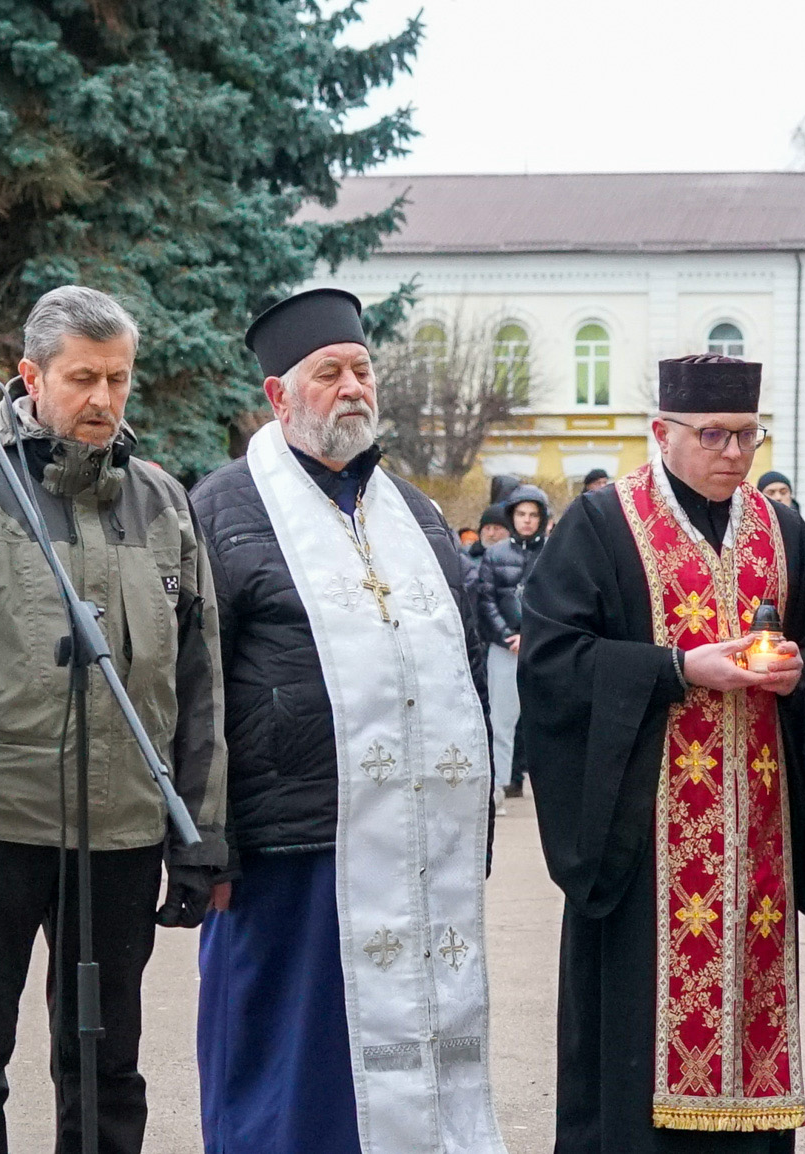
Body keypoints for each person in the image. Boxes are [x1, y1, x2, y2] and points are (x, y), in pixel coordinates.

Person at [0, 286, 226, 1154]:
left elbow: (200, 678)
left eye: (118, 379)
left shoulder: (163, 503)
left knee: (107, 1064)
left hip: (123, 837)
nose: (103, 400)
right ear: (30, 377)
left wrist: (202, 829)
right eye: (82, 379)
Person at [191, 288, 504, 1154]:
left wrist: (470, 821)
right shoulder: (220, 510)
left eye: (362, 369)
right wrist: (204, 835)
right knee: (292, 1058)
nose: (352, 388)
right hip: (285, 842)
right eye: (328, 373)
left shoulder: (420, 516)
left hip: (412, 841)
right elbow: (193, 686)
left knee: (411, 1049)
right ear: (278, 396)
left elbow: (466, 668)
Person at [515, 355, 805, 1151]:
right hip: (642, 840)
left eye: (748, 436)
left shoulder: (784, 531)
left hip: (760, 835)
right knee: (635, 1049)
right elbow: (551, 662)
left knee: (754, 1037)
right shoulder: (601, 524)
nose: (733, 452)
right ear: (662, 432)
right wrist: (676, 670)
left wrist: (802, 674)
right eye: (714, 435)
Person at [477, 483, 549, 804]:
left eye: (534, 514)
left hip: (544, 648)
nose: (527, 520)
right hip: (504, 648)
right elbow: (486, 600)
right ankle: (499, 786)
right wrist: (508, 636)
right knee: (501, 720)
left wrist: (533, 636)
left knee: (546, 719)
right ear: (512, 516)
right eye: (521, 514)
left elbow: (557, 602)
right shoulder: (495, 555)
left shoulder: (554, 552)